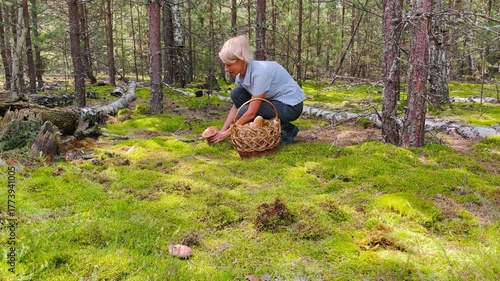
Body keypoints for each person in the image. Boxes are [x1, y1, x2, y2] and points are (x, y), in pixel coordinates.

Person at [207, 35, 306, 145]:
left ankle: (287, 130)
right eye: (225, 65)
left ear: (242, 60)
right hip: (273, 101)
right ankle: (279, 127)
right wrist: (222, 131)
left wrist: (226, 134)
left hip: (291, 106)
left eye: (229, 65)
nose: (226, 69)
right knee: (237, 94)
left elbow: (251, 112)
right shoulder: (240, 75)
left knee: (245, 111)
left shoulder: (260, 73)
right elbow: (236, 106)